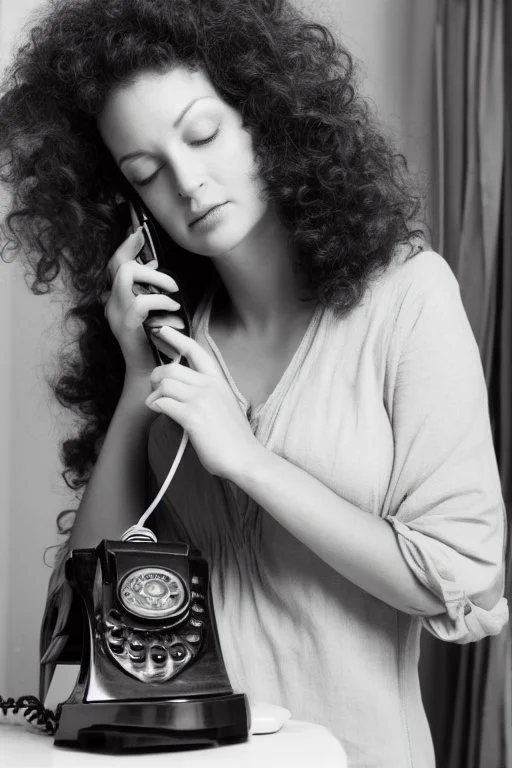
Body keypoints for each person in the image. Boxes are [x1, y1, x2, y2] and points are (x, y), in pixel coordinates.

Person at [0, 0, 508, 765]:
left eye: (202, 134)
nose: (189, 182)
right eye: (147, 172)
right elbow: (81, 627)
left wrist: (248, 460)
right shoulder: (172, 347)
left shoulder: (409, 296)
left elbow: (458, 580)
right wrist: (141, 380)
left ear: (267, 116)